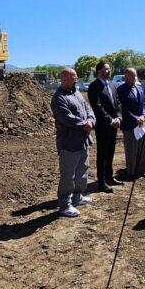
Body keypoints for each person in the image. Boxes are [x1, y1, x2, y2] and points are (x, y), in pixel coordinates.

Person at [50, 68, 96, 218]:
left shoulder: (77, 93)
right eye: (73, 78)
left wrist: (90, 120)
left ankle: (77, 197)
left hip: (83, 140)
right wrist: (84, 124)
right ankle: (65, 205)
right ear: (63, 79)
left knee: (82, 170)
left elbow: (88, 109)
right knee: (68, 175)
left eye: (76, 77)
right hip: (69, 142)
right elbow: (66, 117)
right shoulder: (59, 98)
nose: (76, 80)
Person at [87, 60, 124, 193]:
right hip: (103, 126)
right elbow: (97, 106)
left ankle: (109, 177)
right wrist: (110, 120)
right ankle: (101, 182)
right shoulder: (94, 86)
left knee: (110, 152)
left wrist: (119, 117)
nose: (109, 71)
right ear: (99, 71)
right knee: (102, 154)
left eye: (109, 69)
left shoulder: (112, 85)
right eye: (106, 69)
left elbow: (118, 103)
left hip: (114, 125)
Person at [117, 68, 145, 179]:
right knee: (131, 149)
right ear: (126, 77)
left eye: (135, 76)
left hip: (141, 124)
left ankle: (141, 170)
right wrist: (135, 118)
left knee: (141, 148)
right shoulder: (121, 90)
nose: (134, 78)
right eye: (132, 76)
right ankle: (131, 172)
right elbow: (122, 107)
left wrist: (144, 116)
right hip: (130, 125)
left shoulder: (139, 88)